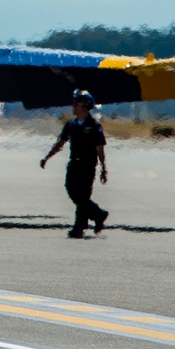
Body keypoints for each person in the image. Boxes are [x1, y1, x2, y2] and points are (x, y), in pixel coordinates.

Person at [40, 89, 109, 239]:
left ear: (84, 105)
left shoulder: (94, 126)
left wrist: (104, 168)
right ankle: (98, 214)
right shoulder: (71, 124)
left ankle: (79, 227)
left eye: (76, 102)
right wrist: (47, 157)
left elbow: (100, 148)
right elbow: (61, 142)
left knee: (83, 196)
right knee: (72, 192)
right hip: (74, 164)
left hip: (88, 165)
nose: (73, 105)